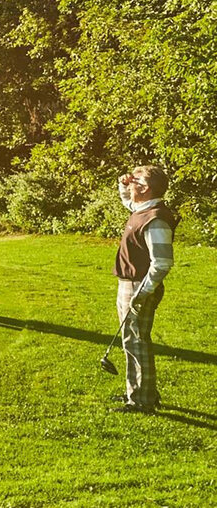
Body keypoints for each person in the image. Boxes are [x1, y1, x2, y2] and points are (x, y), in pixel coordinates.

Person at [112, 165, 177, 413]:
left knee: (137, 341)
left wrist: (143, 293)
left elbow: (162, 263)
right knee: (132, 340)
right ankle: (139, 392)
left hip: (139, 286)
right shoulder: (143, 209)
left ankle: (142, 400)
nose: (129, 182)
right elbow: (127, 201)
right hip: (131, 284)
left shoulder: (155, 218)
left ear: (145, 188)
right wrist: (122, 183)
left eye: (134, 180)